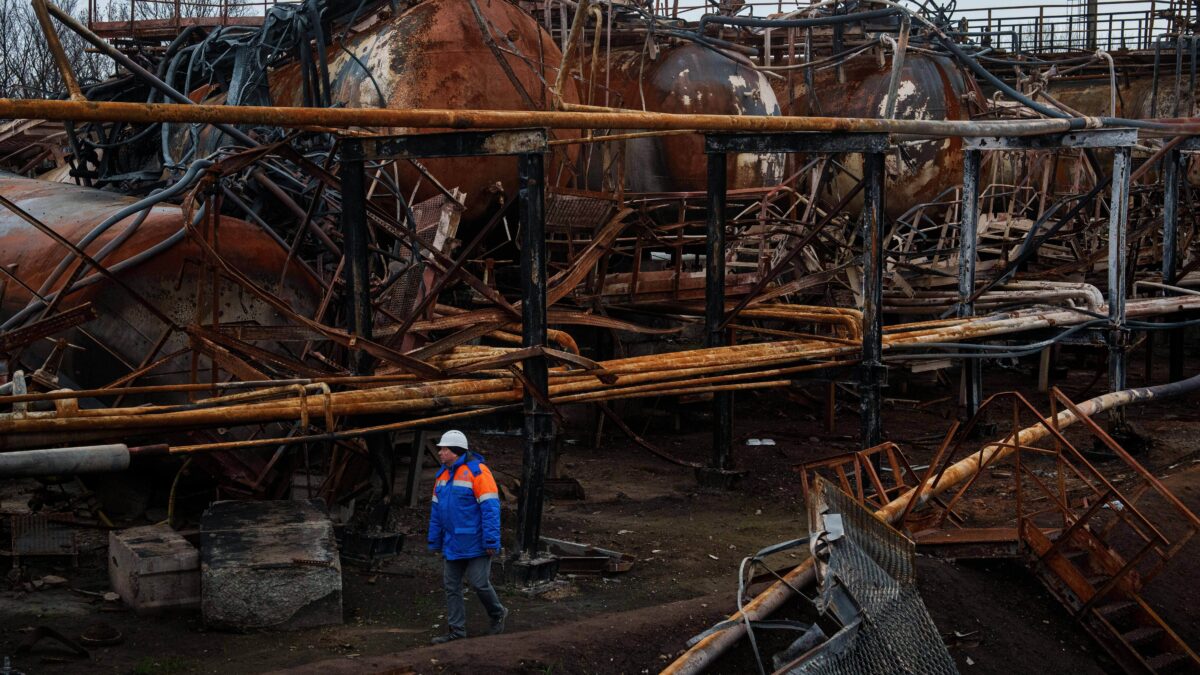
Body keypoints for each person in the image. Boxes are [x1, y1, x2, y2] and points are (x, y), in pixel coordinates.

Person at [427, 429, 509, 643]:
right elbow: (436, 512)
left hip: (476, 542)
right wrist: (435, 540)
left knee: (479, 582)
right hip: (452, 543)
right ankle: (457, 632)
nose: (440, 453)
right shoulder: (442, 476)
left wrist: (491, 541)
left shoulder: (478, 472)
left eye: (444, 449)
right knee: (451, 586)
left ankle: (497, 613)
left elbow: (490, 508)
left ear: (455, 451)